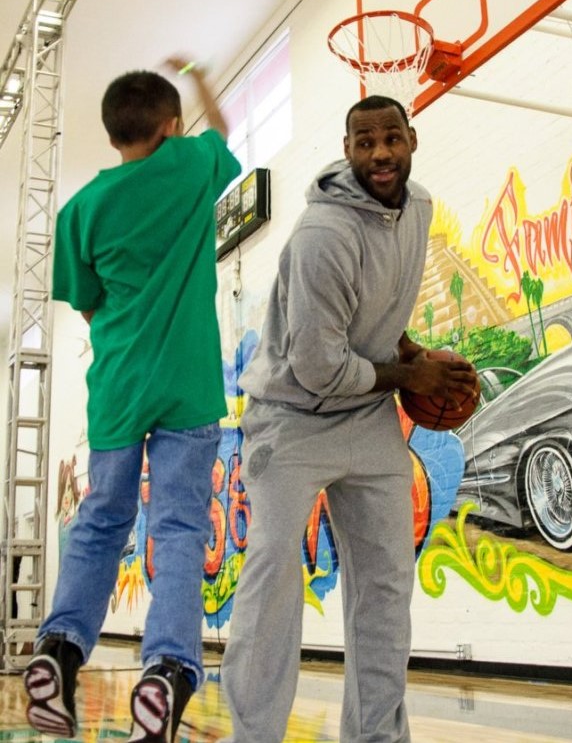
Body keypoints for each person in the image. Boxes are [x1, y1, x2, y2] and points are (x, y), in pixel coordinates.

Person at [220, 95, 476, 743]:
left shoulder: (418, 209)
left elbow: (374, 313)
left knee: (387, 583)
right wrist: (410, 377)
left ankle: (376, 737)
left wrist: (414, 353)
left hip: (365, 416)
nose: (381, 153)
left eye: (392, 137)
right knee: (274, 571)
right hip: (291, 417)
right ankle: (255, 735)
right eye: (366, 142)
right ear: (348, 149)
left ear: (412, 139)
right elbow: (318, 366)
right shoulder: (321, 236)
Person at [23, 58, 241, 743]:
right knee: (179, 527)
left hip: (117, 389)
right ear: (172, 127)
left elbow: (88, 307)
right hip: (188, 385)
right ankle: (168, 669)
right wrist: (201, 76)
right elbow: (226, 127)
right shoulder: (190, 166)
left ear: (113, 130)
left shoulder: (78, 211)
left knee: (100, 520)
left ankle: (58, 650)